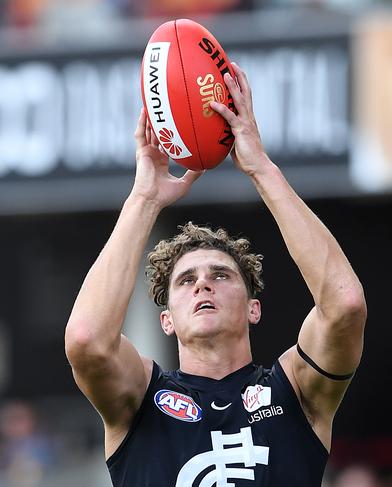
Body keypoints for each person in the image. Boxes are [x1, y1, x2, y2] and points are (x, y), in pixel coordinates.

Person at [64, 62, 367, 486]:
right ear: (165, 320)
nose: (203, 283)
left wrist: (260, 167)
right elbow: (86, 341)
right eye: (186, 281)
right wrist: (144, 199)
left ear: (254, 309)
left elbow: (345, 305)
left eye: (221, 275)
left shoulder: (295, 392)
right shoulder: (140, 400)